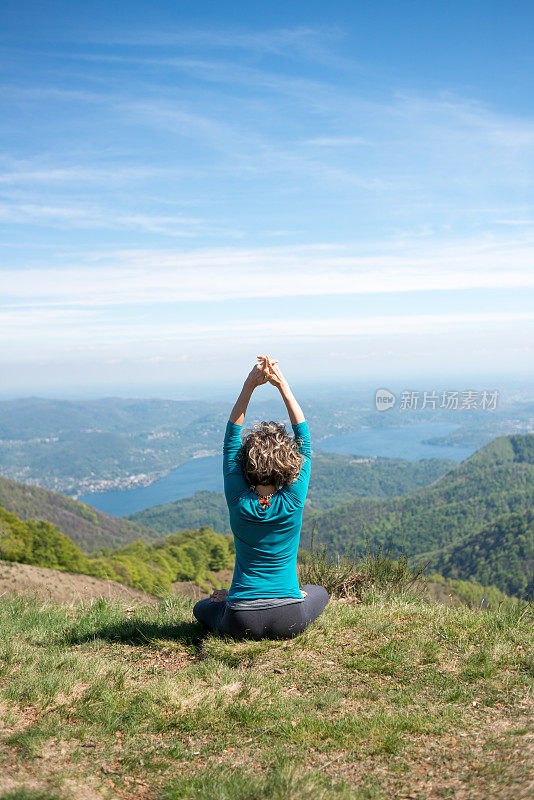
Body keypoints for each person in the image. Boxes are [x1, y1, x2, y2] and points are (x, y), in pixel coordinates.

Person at [193, 355, 329, 640]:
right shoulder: (292, 501)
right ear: (288, 465)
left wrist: (249, 385)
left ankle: (230, 597)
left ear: (245, 464)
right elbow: (305, 439)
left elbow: (231, 438)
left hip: (240, 618)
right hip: (290, 617)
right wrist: (283, 385)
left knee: (201, 607)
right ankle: (291, 591)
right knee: (320, 592)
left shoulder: (238, 501)